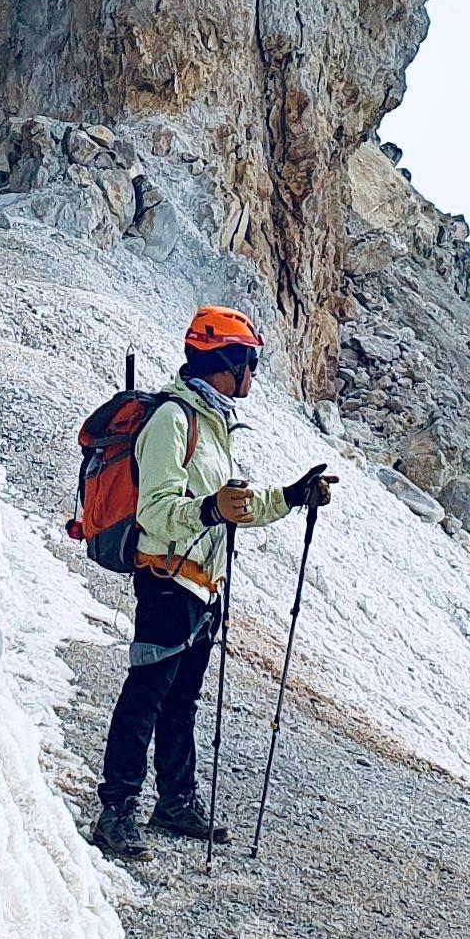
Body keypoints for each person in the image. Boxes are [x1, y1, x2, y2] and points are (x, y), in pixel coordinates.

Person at [92, 306, 336, 861]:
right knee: (146, 697)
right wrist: (209, 508)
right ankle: (117, 810)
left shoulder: (213, 423)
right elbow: (156, 512)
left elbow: (231, 509)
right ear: (225, 362)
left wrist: (295, 496)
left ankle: (175, 801)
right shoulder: (173, 421)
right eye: (249, 360)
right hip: (166, 581)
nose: (253, 372)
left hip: (201, 585)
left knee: (181, 700)